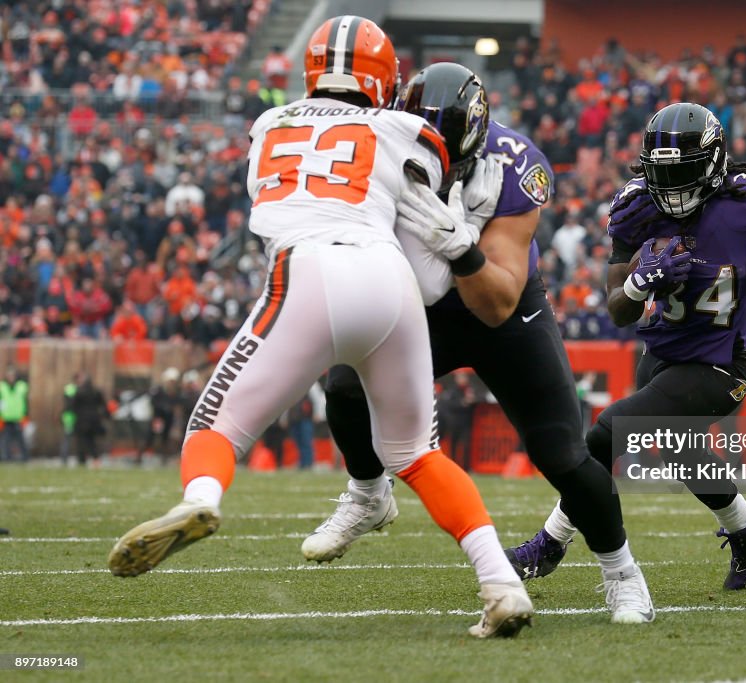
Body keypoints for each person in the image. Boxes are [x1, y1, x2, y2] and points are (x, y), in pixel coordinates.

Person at [107, 17, 533, 639]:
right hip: (390, 281)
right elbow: (433, 276)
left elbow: (278, 206)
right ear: (384, 78)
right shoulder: (406, 130)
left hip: (306, 274)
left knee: (214, 427)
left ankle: (200, 501)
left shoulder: (268, 127)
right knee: (417, 455)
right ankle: (501, 584)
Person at [303, 62, 654, 624]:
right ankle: (368, 494)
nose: (434, 161)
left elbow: (496, 301)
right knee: (344, 385)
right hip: (419, 305)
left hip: (502, 309)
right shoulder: (379, 142)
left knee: (560, 452)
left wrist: (459, 244)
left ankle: (622, 572)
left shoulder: (517, 166)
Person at [509, 102, 746, 590]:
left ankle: (550, 542)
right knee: (682, 452)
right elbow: (617, 311)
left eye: (683, 171)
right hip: (660, 357)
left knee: (607, 433)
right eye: (661, 173)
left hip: (721, 364)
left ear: (712, 163)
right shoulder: (636, 206)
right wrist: (638, 285)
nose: (669, 188)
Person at [72, 374, 109, 467]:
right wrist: (105, 416)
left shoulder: (79, 392)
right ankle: (95, 459)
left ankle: (82, 460)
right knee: (91, 441)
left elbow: (73, 406)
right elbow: (104, 406)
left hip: (82, 420)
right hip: (94, 420)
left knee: (81, 441)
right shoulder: (96, 391)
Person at [0, 365, 29, 462]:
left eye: (12, 375)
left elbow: (26, 402)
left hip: (18, 417)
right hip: (6, 417)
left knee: (21, 439)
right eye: (9, 375)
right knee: (5, 440)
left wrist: (25, 416)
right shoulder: (2, 386)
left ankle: (25, 457)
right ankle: (5, 457)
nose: (11, 377)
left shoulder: (22, 386)